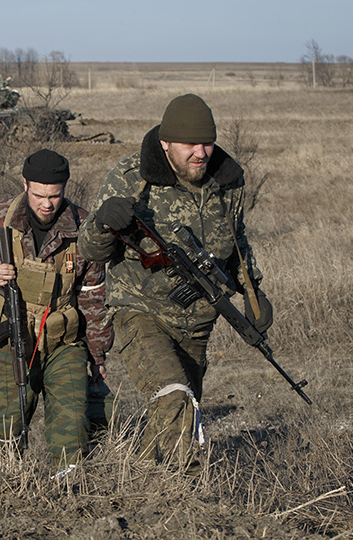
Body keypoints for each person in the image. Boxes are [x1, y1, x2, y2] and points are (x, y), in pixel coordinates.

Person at [78, 94, 273, 469]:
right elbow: (92, 249)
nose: (200, 153)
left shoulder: (228, 181)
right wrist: (104, 221)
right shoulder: (131, 177)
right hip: (141, 311)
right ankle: (186, 491)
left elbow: (237, 240)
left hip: (199, 321)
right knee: (174, 396)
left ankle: (144, 484)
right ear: (165, 143)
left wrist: (252, 290)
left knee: (180, 412)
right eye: (189, 145)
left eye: (207, 142)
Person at [0, 148, 113, 468]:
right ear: (25, 184)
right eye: (39, 195)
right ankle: (1, 479)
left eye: (54, 195)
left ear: (64, 189)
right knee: (8, 417)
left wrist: (98, 355)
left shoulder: (83, 227)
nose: (47, 203)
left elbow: (93, 297)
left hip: (62, 338)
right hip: (10, 333)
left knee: (72, 420)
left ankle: (67, 485)